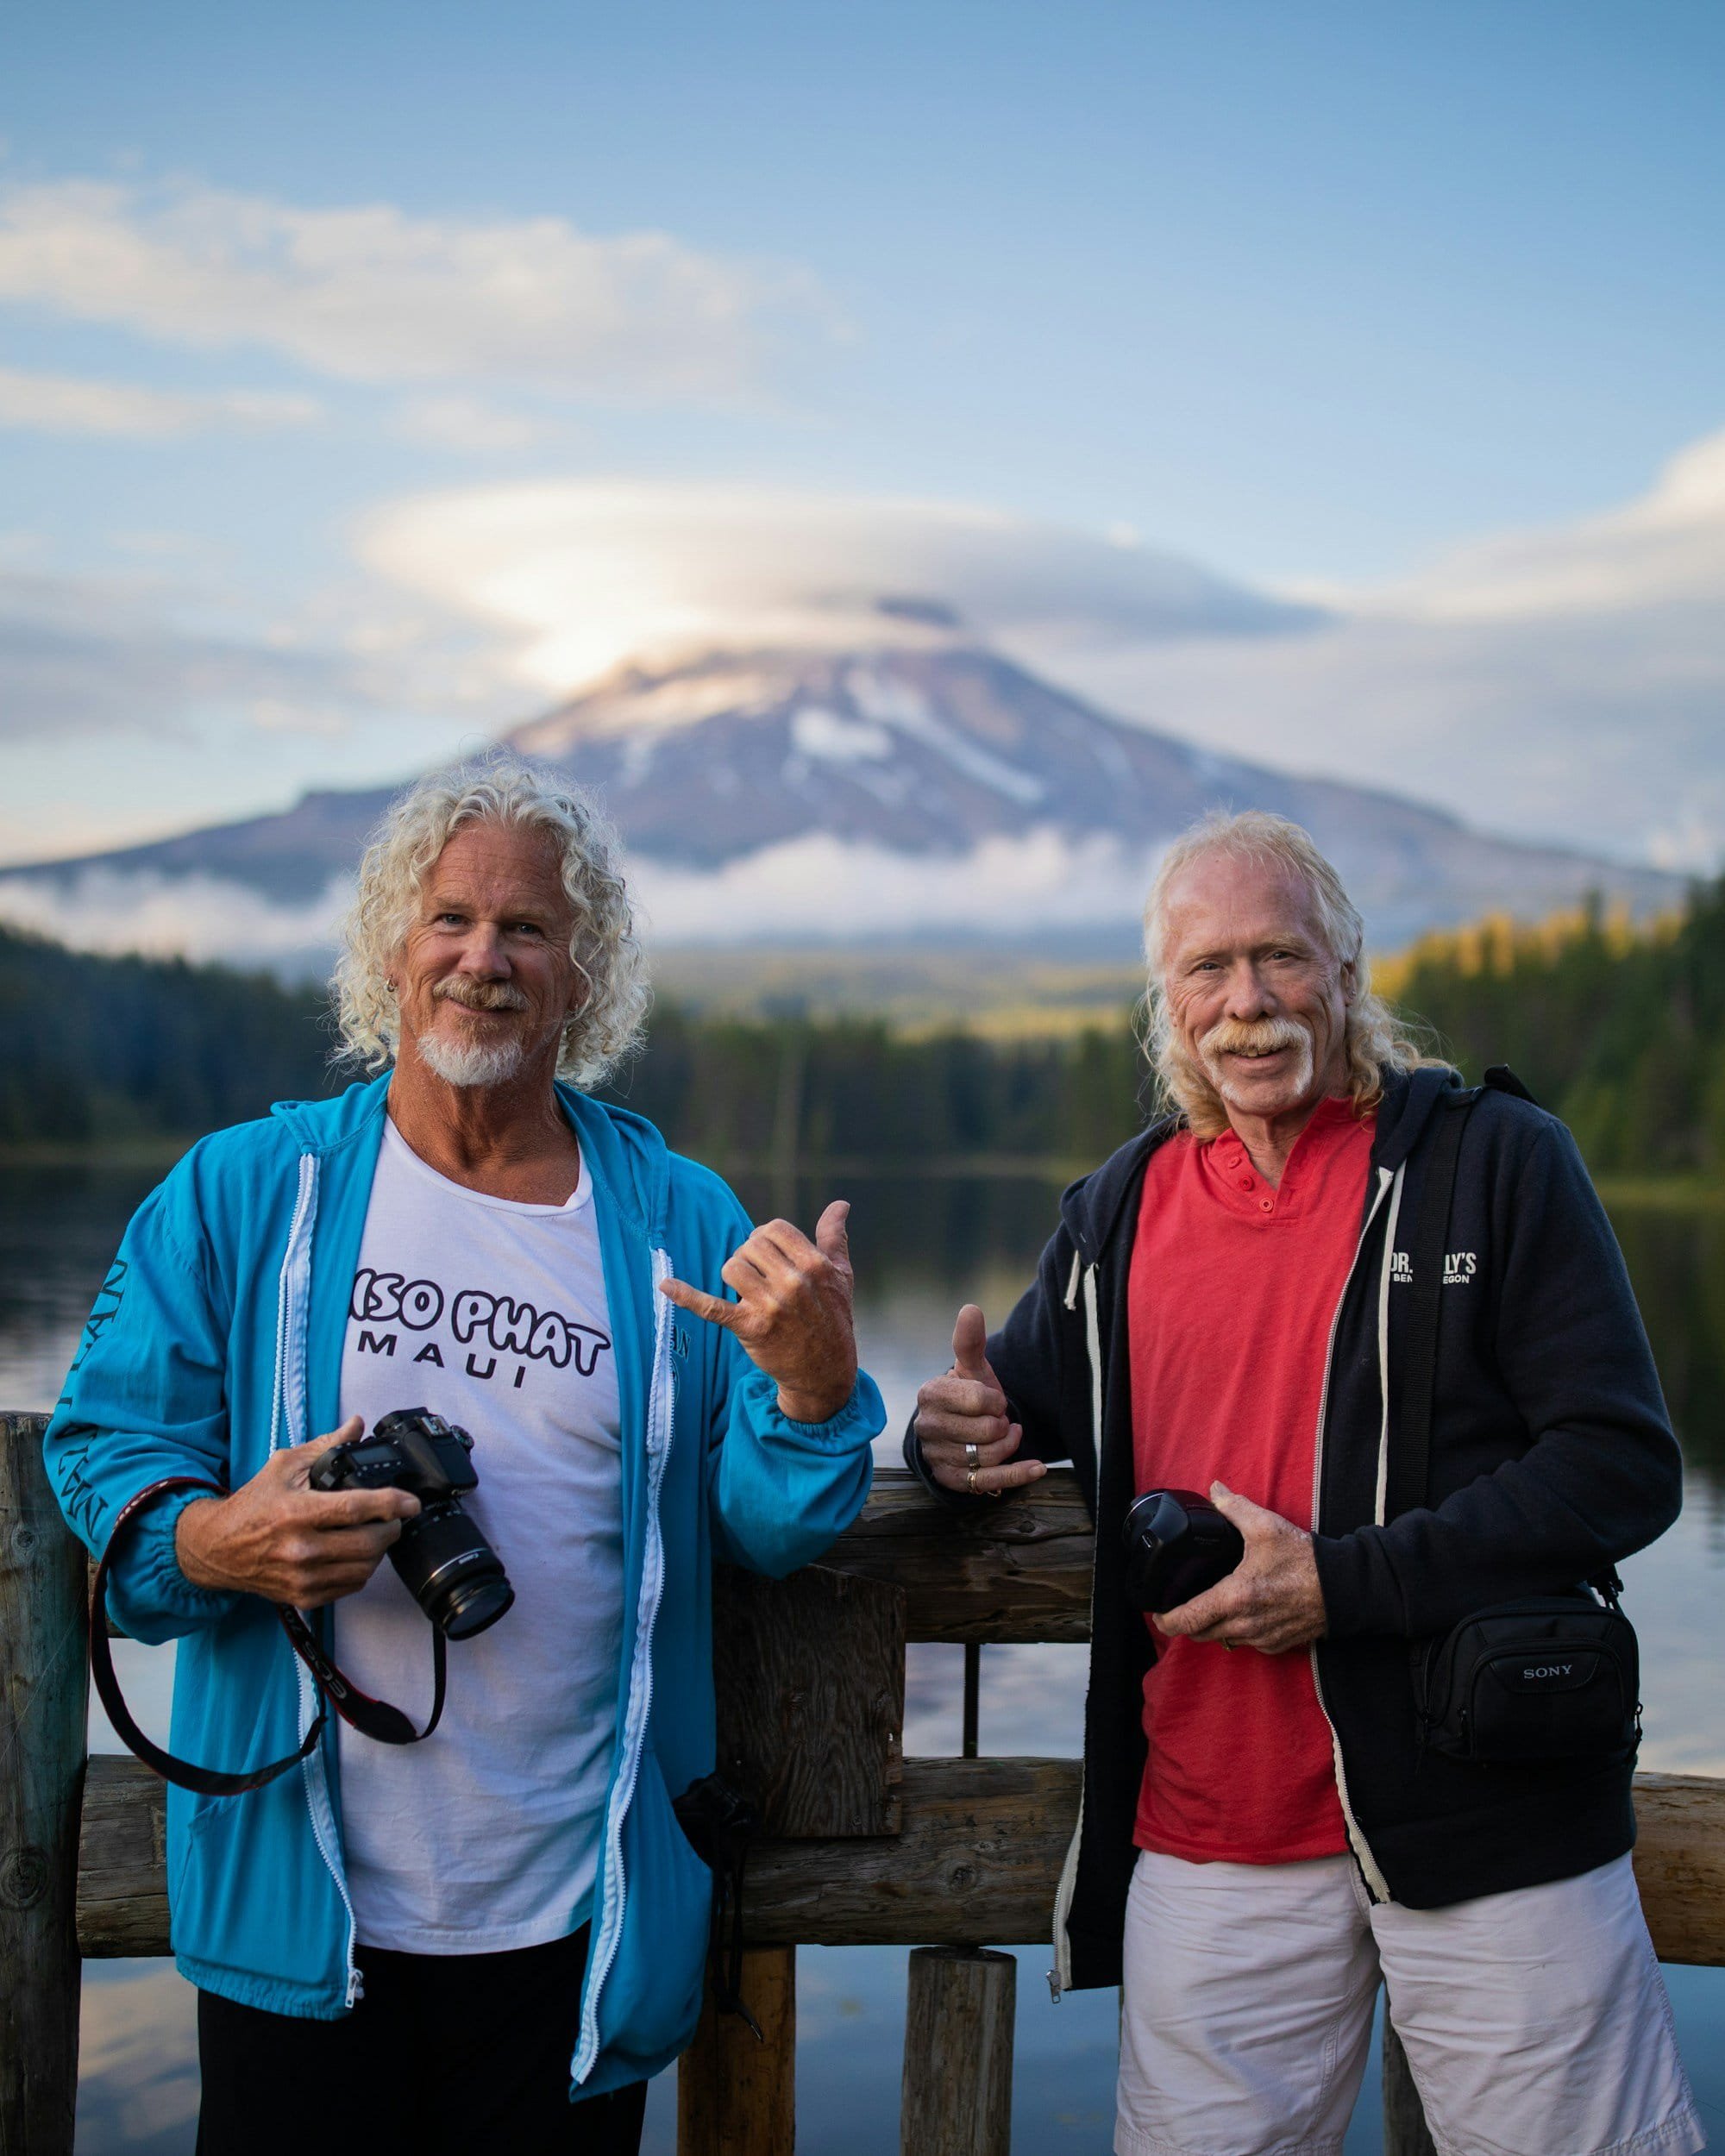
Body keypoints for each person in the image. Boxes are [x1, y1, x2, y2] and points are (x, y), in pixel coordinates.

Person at [46, 755, 885, 2156]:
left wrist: (814, 1386)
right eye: (450, 919)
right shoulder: (249, 1191)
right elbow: (103, 1446)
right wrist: (214, 1541)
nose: (482, 959)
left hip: (576, 1921)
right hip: (302, 1913)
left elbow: (766, 1525)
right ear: (392, 948)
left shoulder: (677, 1216)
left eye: (527, 929)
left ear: (583, 976)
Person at [908, 810, 1701, 2156]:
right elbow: (1010, 1409)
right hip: (1208, 1827)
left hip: (1489, 1814)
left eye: (1279, 956)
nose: (1248, 1002)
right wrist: (951, 1438)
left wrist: (1343, 1586)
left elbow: (1620, 1467)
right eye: (1207, 969)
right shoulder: (1117, 1211)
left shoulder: (1493, 1162)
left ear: (1345, 967)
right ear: (1167, 1002)